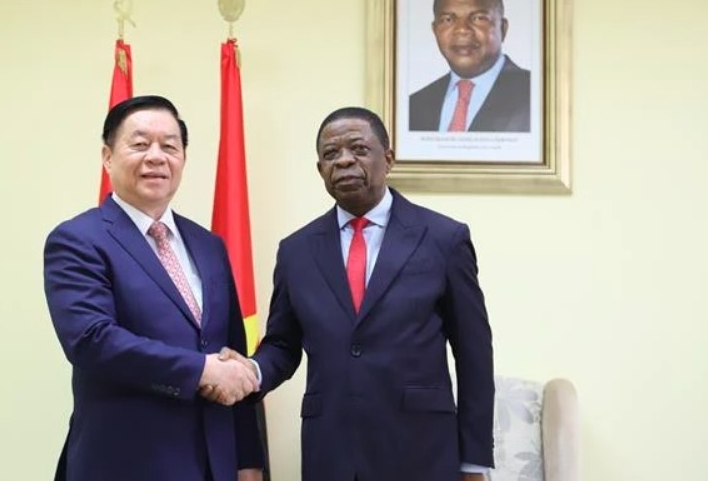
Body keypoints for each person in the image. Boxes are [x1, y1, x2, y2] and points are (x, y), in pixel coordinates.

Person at [213, 107, 494, 480]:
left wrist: (473, 462)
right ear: (320, 170)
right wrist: (251, 368)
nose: (344, 160)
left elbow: (473, 353)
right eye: (331, 154)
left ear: (388, 159)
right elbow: (282, 345)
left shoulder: (443, 239)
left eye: (358, 149)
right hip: (331, 454)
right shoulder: (296, 251)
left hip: (421, 451)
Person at [43, 95, 264, 481]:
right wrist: (200, 369)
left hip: (215, 465)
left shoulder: (209, 245)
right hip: (125, 462)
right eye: (140, 144)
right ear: (107, 157)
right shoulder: (78, 240)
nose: (156, 157)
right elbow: (92, 341)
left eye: (170, 146)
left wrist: (248, 460)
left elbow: (232, 354)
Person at [409, 0, 531, 132]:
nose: (462, 30)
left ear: (503, 28)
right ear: (435, 30)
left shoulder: (535, 94)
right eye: (448, 19)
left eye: (478, 18)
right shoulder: (415, 105)